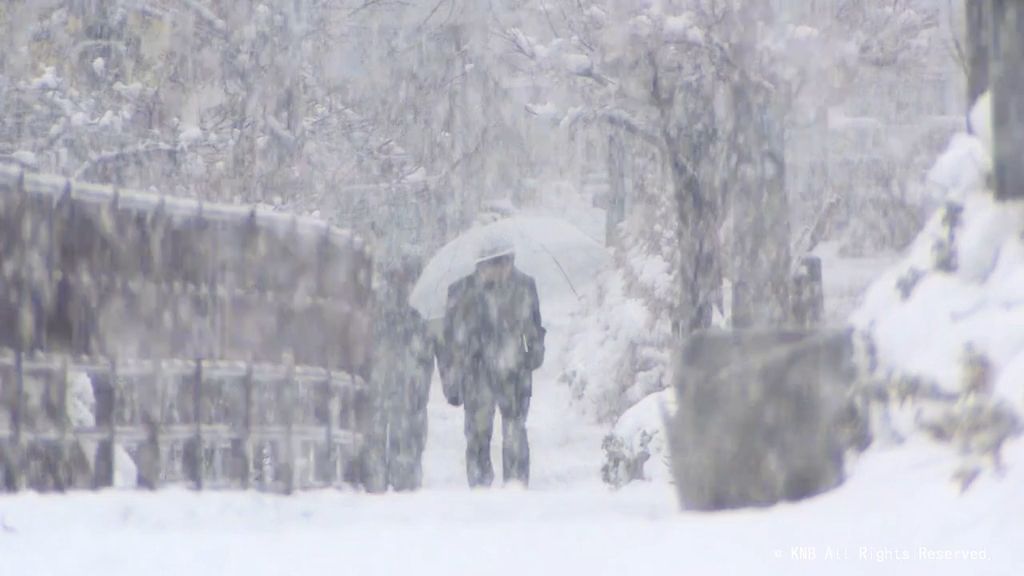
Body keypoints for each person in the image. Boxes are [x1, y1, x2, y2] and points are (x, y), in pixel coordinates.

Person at [440, 237, 545, 487]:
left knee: (515, 432)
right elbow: (450, 339)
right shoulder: (461, 291)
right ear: (480, 264)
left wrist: (532, 356)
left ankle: (516, 486)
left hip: (514, 372)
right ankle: (480, 489)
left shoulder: (524, 286)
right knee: (477, 436)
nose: (499, 269)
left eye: (505, 262)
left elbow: (534, 328)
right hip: (477, 372)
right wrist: (452, 379)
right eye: (493, 263)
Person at [362, 253, 435, 492]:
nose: (399, 286)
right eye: (396, 279)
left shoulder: (411, 321)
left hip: (398, 392)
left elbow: (425, 363)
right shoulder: (409, 321)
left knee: (397, 448)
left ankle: (391, 483)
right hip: (388, 391)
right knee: (385, 447)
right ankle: (387, 484)